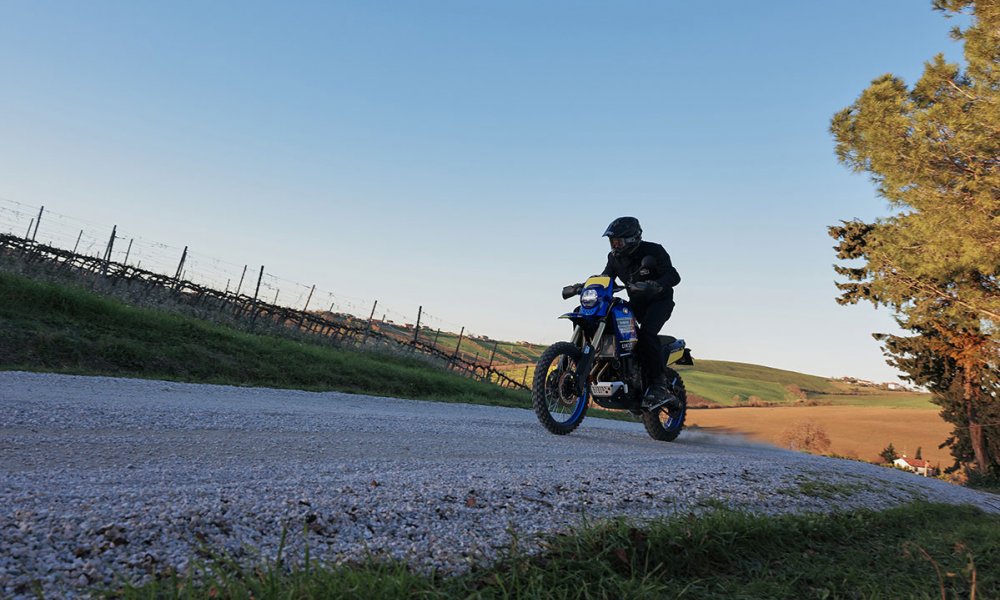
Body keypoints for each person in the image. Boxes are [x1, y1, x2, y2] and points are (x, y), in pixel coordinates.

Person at [600, 216, 681, 412]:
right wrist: (585, 285)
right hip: (636, 304)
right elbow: (606, 278)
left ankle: (659, 386)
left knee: (646, 334)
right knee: (609, 322)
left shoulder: (654, 251)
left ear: (632, 239)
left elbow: (673, 275)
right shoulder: (614, 258)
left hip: (659, 302)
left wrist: (656, 285)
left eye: (618, 241)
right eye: (613, 241)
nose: (615, 245)